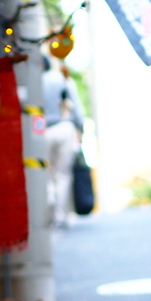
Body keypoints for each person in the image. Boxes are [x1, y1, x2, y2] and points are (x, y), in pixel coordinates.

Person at [42, 56, 84, 229]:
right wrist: (80, 128)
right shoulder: (61, 79)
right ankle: (60, 216)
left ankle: (47, 216)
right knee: (62, 175)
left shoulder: (33, 82)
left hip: (41, 131)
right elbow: (76, 108)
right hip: (64, 127)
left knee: (46, 175)